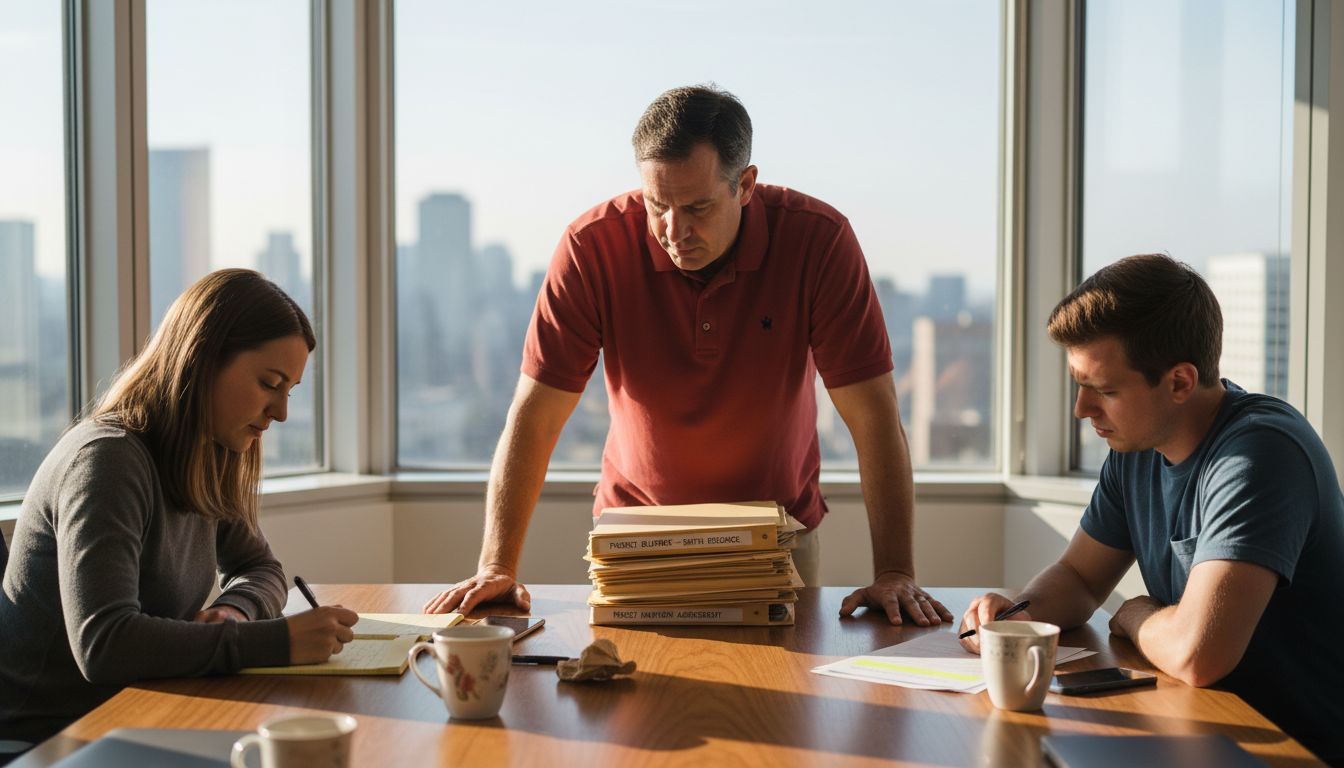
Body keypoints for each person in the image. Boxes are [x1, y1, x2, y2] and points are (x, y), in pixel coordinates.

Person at [424, 84, 951, 628]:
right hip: (638, 540)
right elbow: (535, 417)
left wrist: (894, 570)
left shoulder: (819, 240)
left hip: (776, 539)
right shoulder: (591, 247)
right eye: (658, 206)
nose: (673, 233)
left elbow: (874, 417)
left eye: (697, 208)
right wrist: (496, 565)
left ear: (745, 185)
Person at [958, 254, 1344, 764]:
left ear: (1181, 382)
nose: (1082, 410)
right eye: (1080, 385)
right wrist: (1015, 617)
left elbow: (1197, 653)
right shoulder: (1137, 450)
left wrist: (1133, 611)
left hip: (1291, 748)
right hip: (1199, 729)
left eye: (1105, 390)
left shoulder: (1259, 455)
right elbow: (1078, 578)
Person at [0, 269, 358, 746]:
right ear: (202, 360)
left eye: (288, 391)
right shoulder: (107, 459)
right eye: (270, 383)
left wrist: (235, 612)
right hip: (55, 742)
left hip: (144, 714)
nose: (281, 412)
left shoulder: (208, 454)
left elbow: (260, 566)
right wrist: (278, 640)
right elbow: (104, 644)